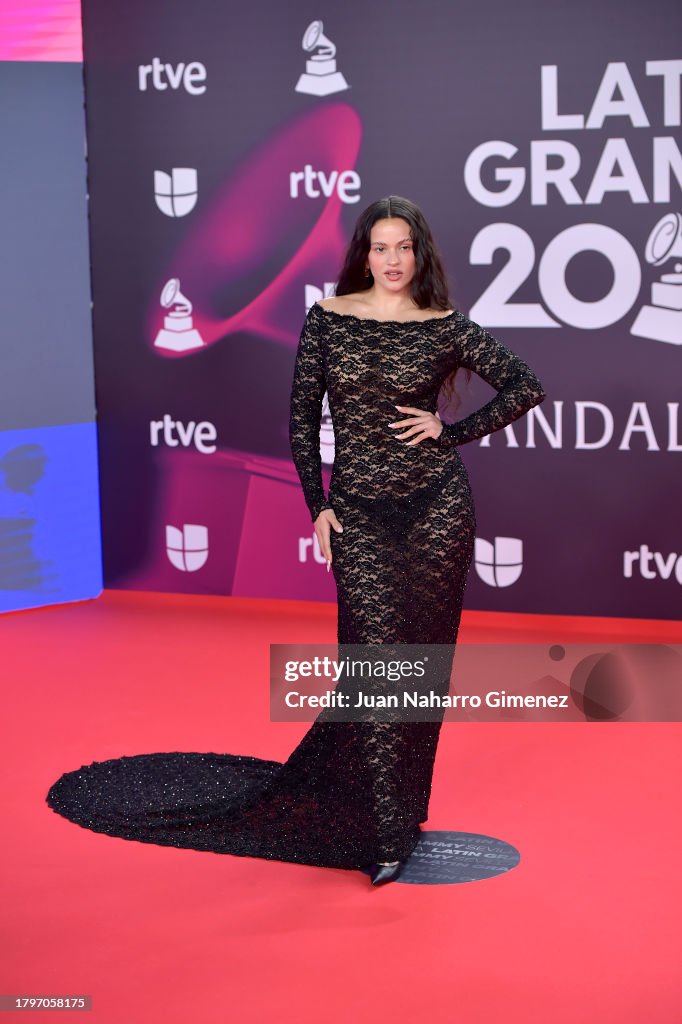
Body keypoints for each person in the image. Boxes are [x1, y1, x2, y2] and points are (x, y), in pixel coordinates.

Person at [45, 195, 545, 889]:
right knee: (373, 667)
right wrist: (319, 507)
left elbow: (526, 386)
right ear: (363, 254)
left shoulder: (445, 328)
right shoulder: (329, 321)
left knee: (420, 671)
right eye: (380, 247)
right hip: (360, 515)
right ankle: (379, 823)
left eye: (404, 248)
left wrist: (449, 432)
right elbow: (302, 421)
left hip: (438, 512)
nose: (393, 260)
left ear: (419, 254)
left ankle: (399, 820)